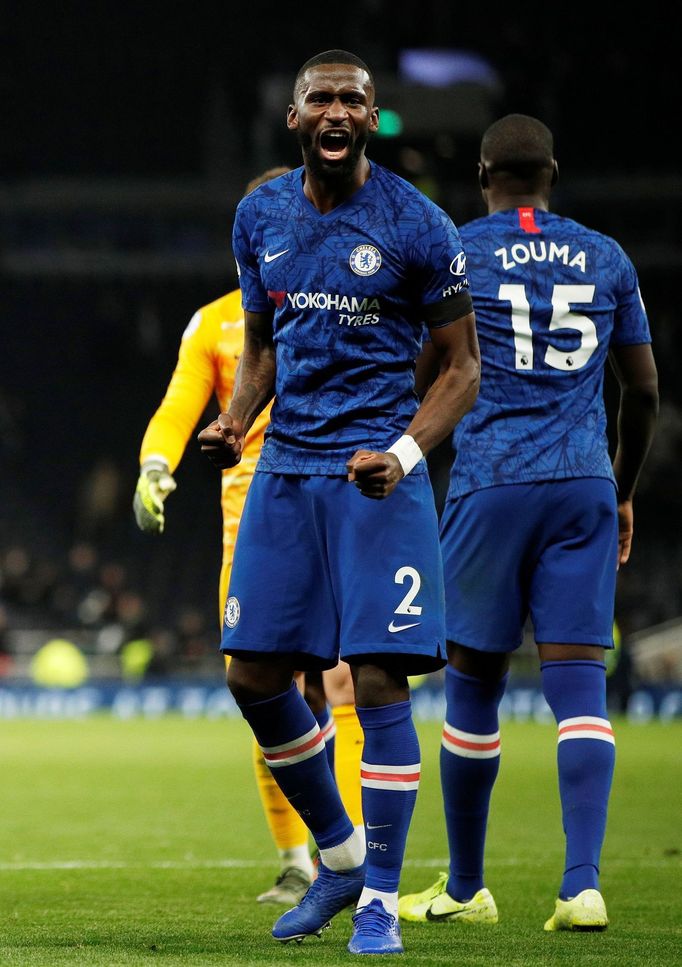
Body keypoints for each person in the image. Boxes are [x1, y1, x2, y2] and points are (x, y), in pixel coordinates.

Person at [198, 49, 479, 955]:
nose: (336, 111)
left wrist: (401, 454)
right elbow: (263, 337)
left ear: (371, 119)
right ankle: (343, 854)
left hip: (377, 480)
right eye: (319, 98)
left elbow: (464, 369)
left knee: (378, 680)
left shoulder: (420, 223)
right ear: (294, 118)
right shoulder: (260, 214)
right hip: (286, 471)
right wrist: (238, 417)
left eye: (352, 101)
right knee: (252, 674)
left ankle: (382, 900)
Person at [398, 114, 658, 932]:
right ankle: (582, 885)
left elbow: (427, 371)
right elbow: (644, 388)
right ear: (553, 173)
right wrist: (622, 486)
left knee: (473, 685)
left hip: (489, 483)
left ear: (483, 174)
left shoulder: (456, 250)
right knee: (580, 688)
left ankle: (468, 887)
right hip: (583, 479)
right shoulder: (607, 255)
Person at [133, 166, 365, 907]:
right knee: (267, 685)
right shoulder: (216, 321)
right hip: (252, 515)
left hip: (335, 497)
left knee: (340, 683)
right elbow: (178, 407)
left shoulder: (344, 305)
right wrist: (154, 464)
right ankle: (299, 857)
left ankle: (350, 851)